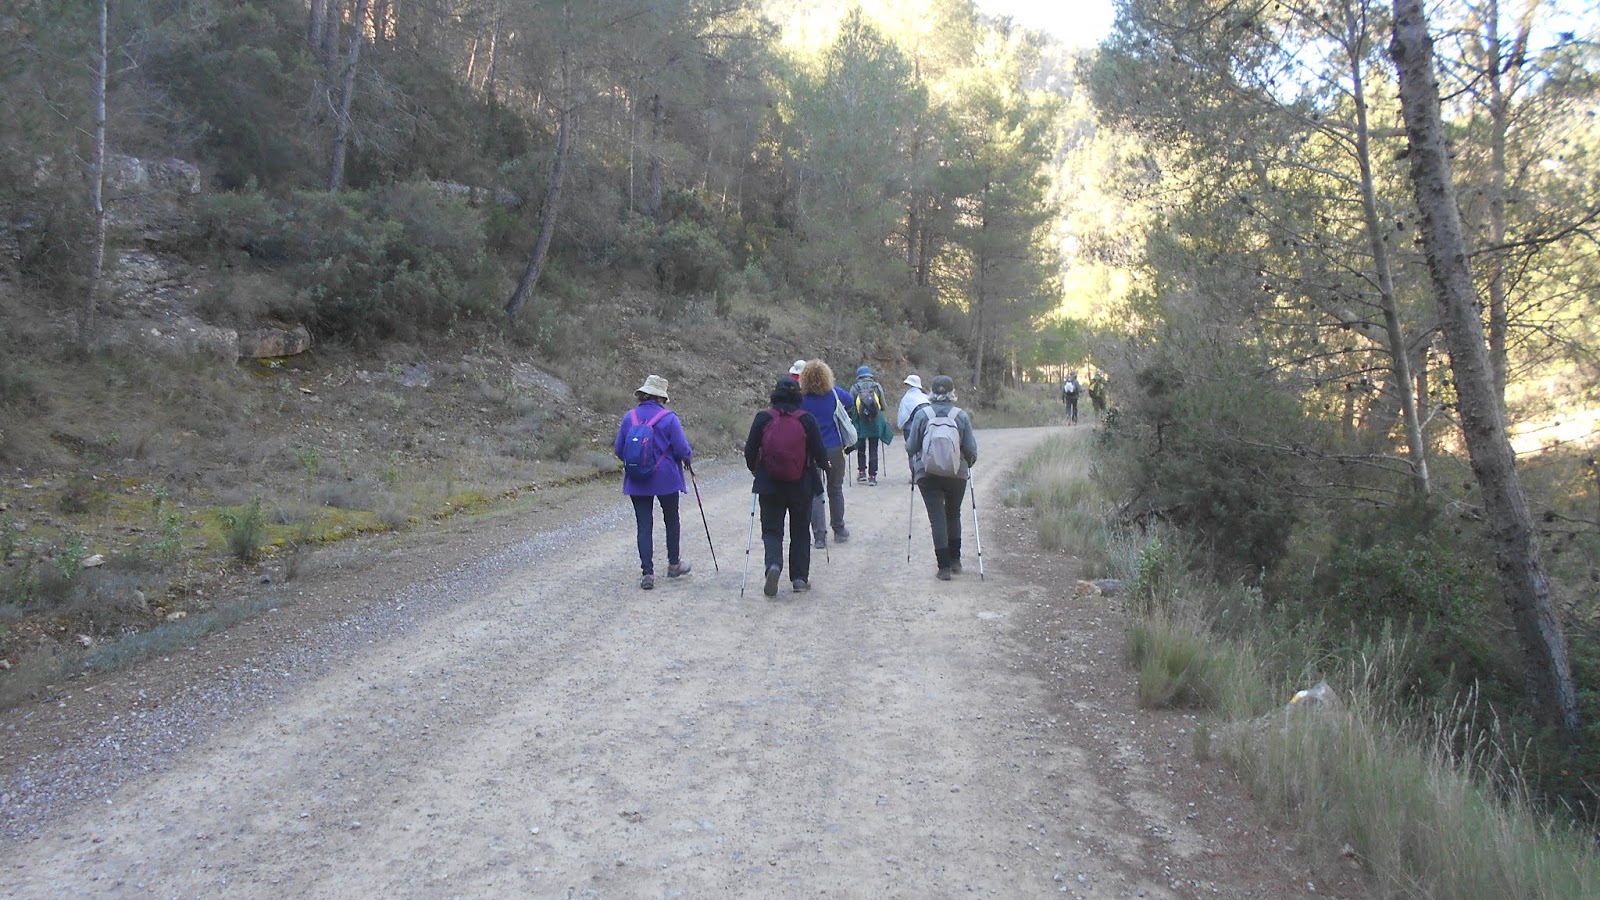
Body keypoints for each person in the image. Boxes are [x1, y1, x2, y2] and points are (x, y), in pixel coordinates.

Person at [744, 377, 829, 596]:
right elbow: (820, 455)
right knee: (800, 530)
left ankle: (773, 565)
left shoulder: (763, 418)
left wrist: (757, 470)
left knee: (772, 530)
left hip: (769, 483)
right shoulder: (807, 419)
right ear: (798, 395)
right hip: (801, 484)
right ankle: (799, 579)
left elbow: (749, 451)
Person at [612, 374, 693, 590]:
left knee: (644, 525)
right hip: (666, 479)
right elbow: (681, 449)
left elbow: (619, 449)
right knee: (671, 519)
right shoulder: (669, 418)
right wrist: (687, 457)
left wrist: (638, 464)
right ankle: (674, 565)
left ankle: (647, 573)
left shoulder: (629, 417)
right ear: (661, 398)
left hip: (637, 480)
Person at [904, 375, 979, 580]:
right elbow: (971, 450)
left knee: (936, 517)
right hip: (956, 473)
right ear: (952, 392)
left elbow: (911, 447)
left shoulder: (922, 414)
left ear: (931, 392)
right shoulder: (961, 416)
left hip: (927, 473)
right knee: (953, 514)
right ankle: (956, 561)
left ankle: (943, 568)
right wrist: (967, 464)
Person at [798, 359, 854, 548]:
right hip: (834, 448)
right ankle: (839, 529)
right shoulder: (834, 393)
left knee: (815, 492)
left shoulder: (801, 398)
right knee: (835, 489)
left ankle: (819, 536)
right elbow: (851, 402)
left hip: (810, 450)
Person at [849, 365, 893, 485]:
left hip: (860, 421)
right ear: (870, 375)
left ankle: (862, 472)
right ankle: (872, 476)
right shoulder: (876, 386)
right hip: (875, 421)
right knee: (873, 448)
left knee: (861, 447)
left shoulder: (854, 388)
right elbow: (883, 406)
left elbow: (850, 406)